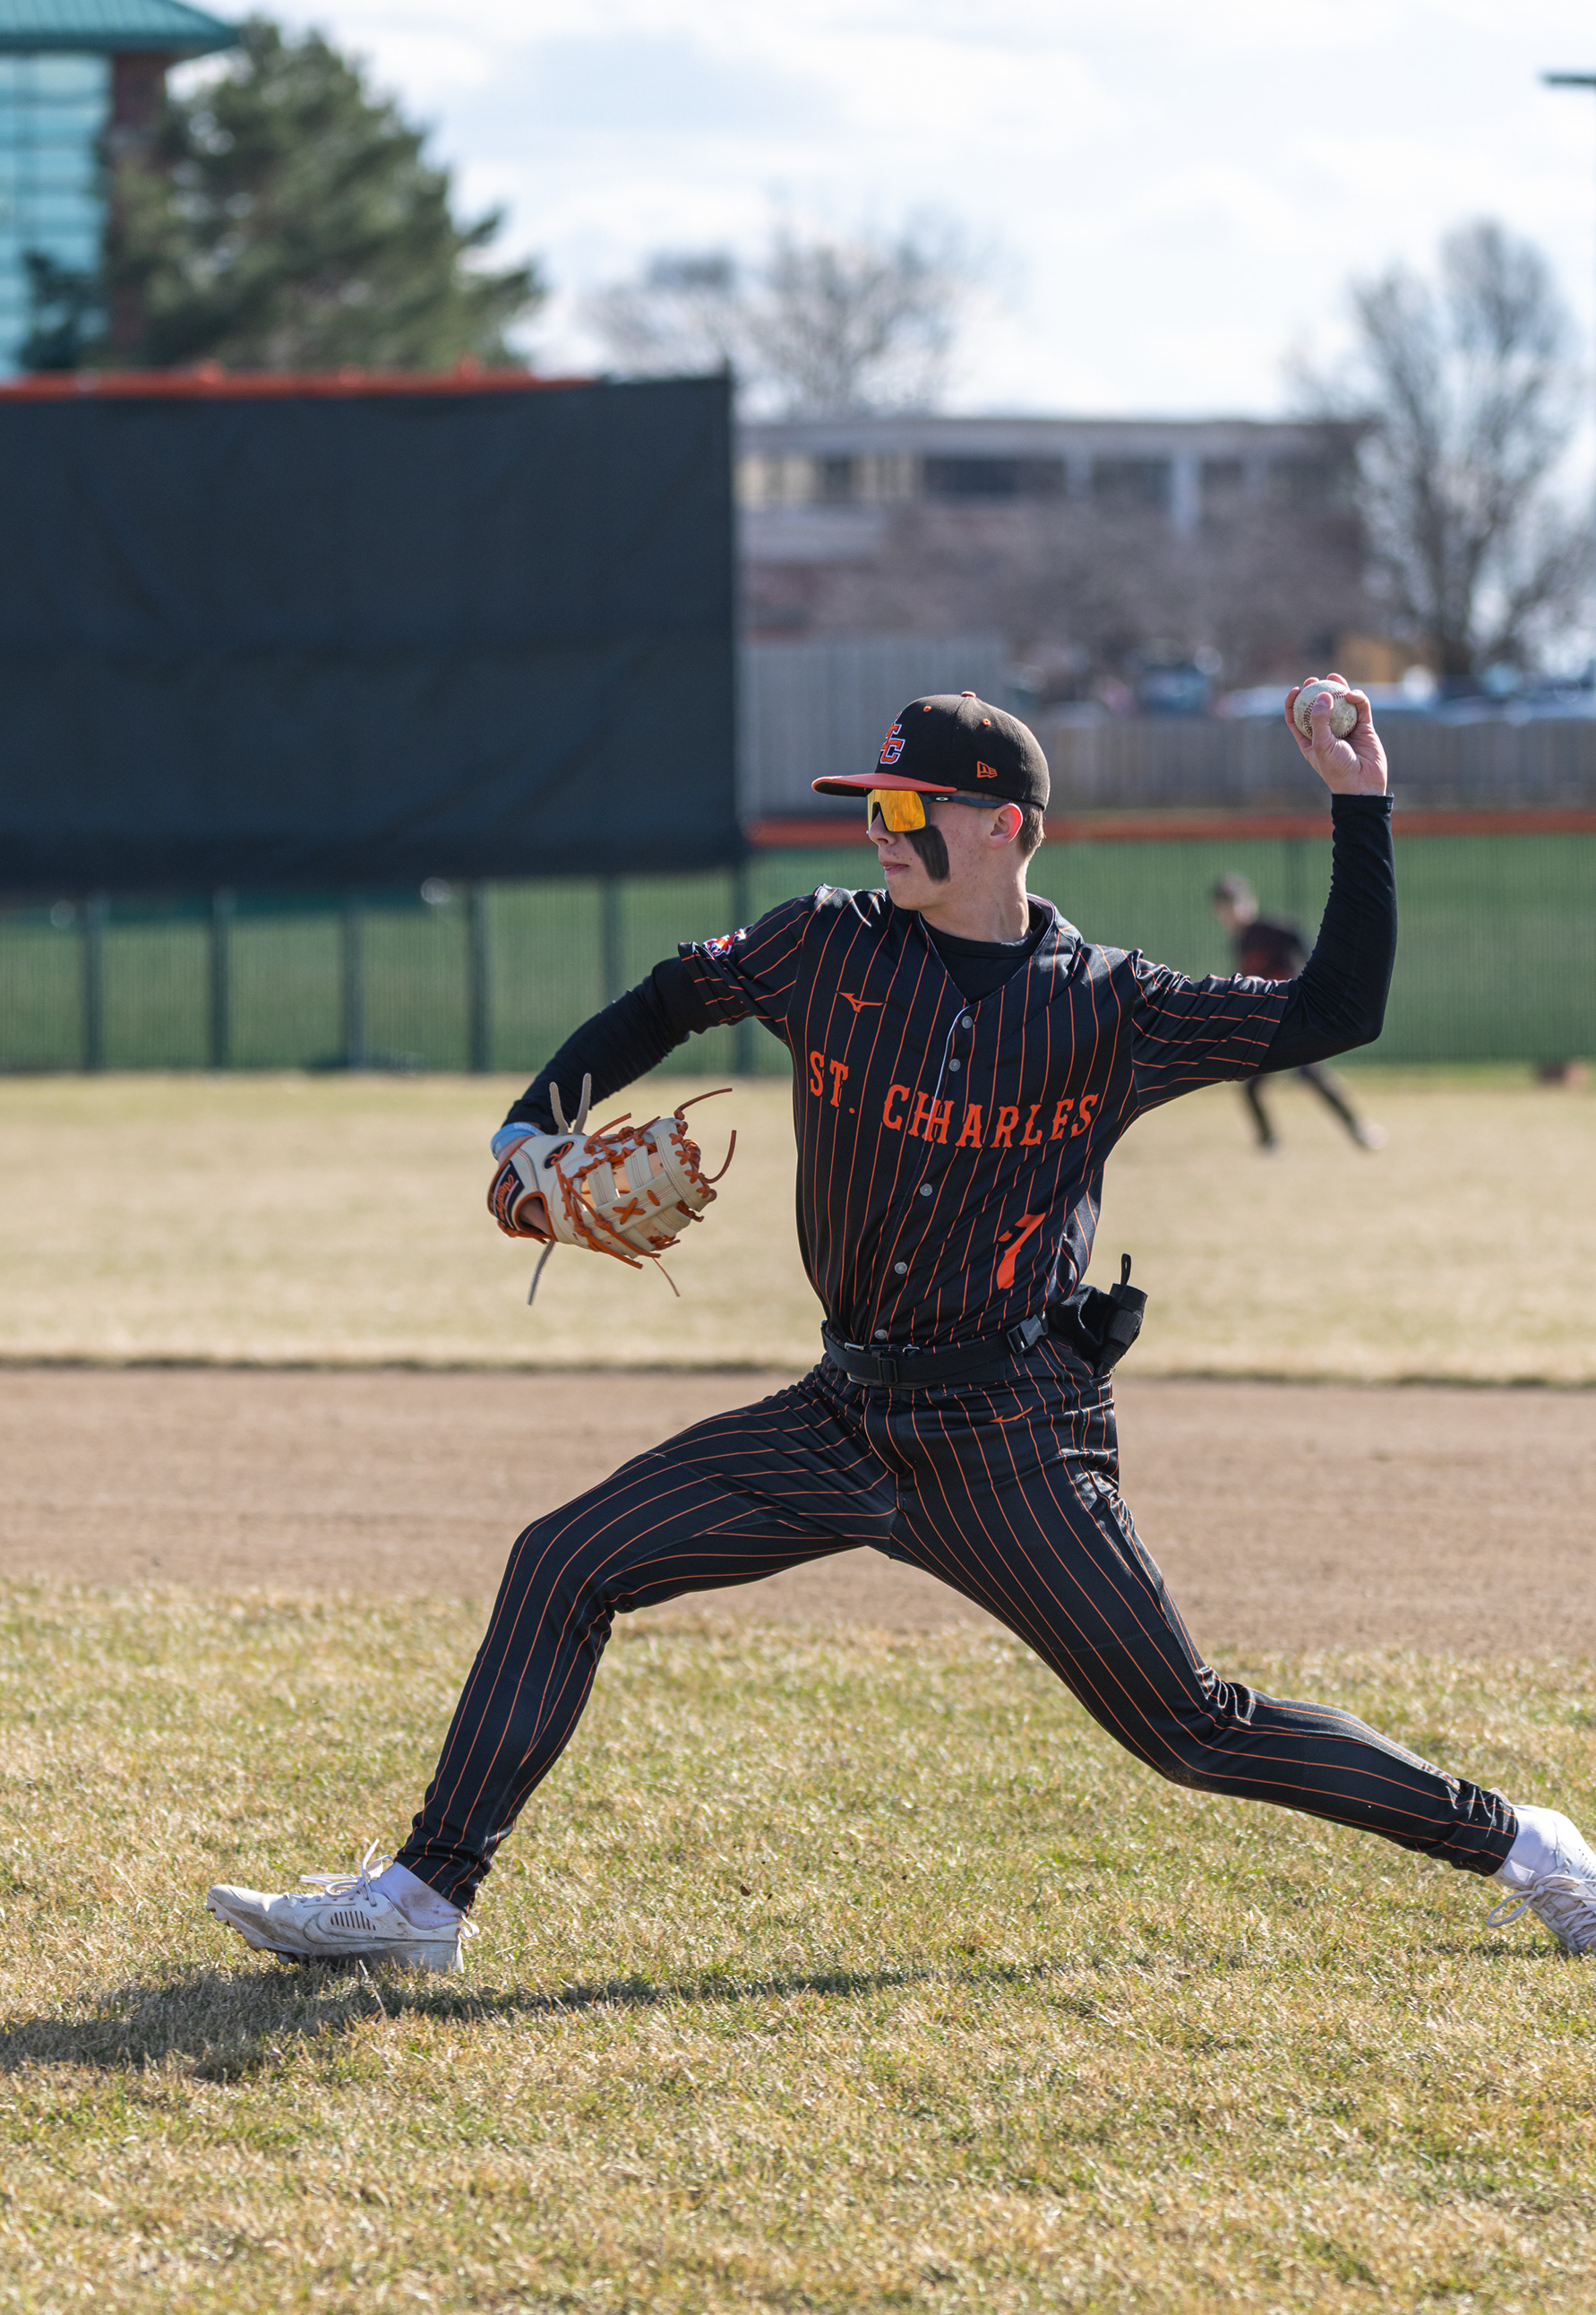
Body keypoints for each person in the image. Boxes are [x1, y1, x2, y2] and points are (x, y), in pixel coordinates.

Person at [206, 677, 1596, 1966]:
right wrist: (531, 1125)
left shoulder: (1113, 1007)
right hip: (841, 1416)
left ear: (1003, 825)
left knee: (1192, 1728)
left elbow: (1337, 1009)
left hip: (1012, 1438)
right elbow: (670, 999)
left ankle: (1531, 1843)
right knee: (564, 1558)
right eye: (870, 805)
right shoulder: (825, 943)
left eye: (905, 806)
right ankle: (427, 1894)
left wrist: (1361, 801)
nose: (878, 828)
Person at [1208, 874, 1384, 1151]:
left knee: (1310, 1074)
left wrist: (1310, 988)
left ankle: (1358, 1127)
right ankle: (1269, 1142)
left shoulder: (1273, 930)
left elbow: (1307, 950)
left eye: (1235, 904)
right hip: (1266, 1022)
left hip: (1293, 1014)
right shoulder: (1240, 942)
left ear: (1250, 902)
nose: (1231, 913)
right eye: (1225, 908)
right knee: (1252, 1085)